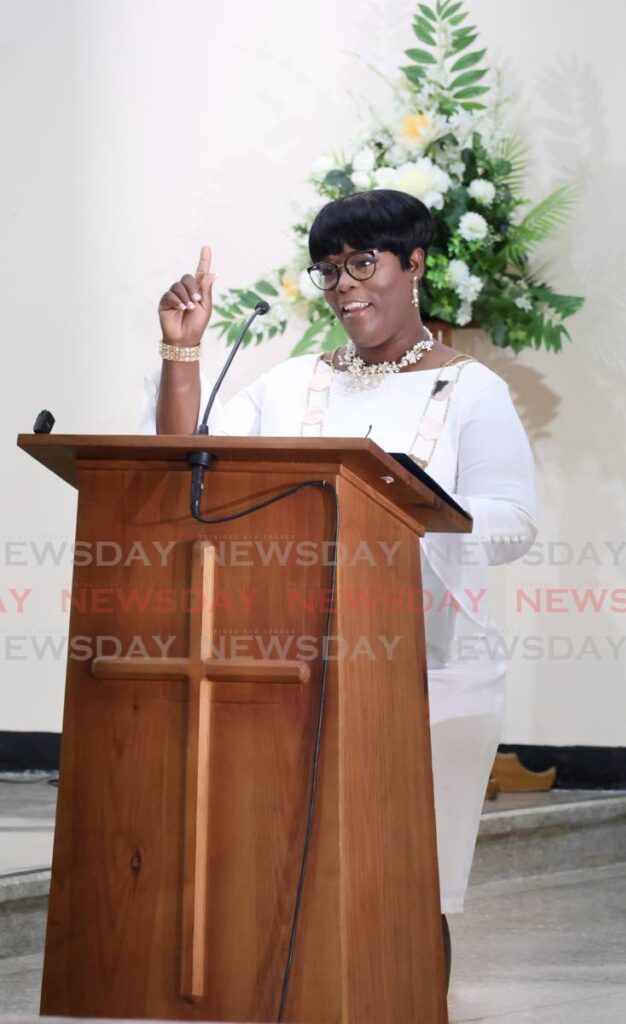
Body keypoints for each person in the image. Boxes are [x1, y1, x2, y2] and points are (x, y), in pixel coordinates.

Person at [140, 189, 537, 981]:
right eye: (329, 271)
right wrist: (182, 352)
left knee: (414, 883)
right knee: (292, 875)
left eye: (364, 263)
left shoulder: (470, 391)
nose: (346, 285)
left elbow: (512, 519)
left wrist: (400, 510)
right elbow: (193, 458)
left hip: (429, 674)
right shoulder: (292, 386)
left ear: (414, 264)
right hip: (290, 665)